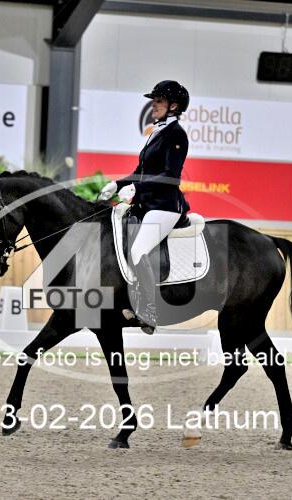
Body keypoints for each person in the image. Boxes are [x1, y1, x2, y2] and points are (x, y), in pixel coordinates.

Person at [99, 80, 191, 329]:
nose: (154, 106)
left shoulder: (176, 134)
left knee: (138, 250)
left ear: (173, 106)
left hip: (165, 207)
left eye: (159, 101)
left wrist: (137, 189)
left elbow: (171, 176)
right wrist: (117, 184)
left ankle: (150, 311)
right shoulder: (158, 132)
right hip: (148, 204)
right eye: (154, 101)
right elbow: (140, 171)